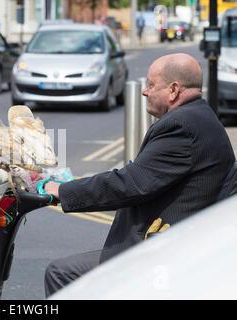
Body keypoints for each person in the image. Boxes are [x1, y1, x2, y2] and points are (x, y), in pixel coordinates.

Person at [43, 53, 236, 297]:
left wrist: (61, 190)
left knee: (61, 273)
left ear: (174, 89)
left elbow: (130, 184)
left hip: (165, 255)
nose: (144, 91)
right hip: (181, 245)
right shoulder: (199, 115)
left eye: (151, 84)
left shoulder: (181, 126)